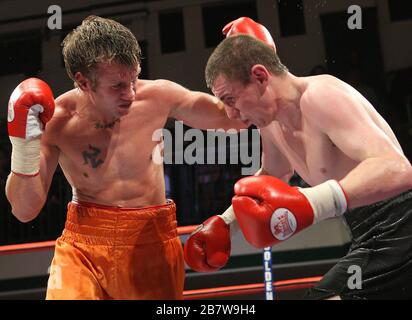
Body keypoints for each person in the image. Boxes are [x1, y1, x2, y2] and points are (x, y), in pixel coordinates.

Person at [4, 15, 249, 300]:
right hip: (83, 246)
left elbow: (236, 120)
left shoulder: (159, 96)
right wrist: (23, 146)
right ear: (83, 82)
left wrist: (245, 64)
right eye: (118, 86)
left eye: (134, 79)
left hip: (152, 240)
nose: (131, 94)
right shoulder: (57, 122)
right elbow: (24, 210)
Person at [184, 18, 412, 299]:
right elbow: (273, 174)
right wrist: (225, 222)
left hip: (402, 224)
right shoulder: (270, 122)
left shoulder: (321, 96)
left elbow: (399, 169)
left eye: (230, 99)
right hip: (369, 234)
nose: (230, 115)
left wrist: (311, 203)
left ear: (260, 76)